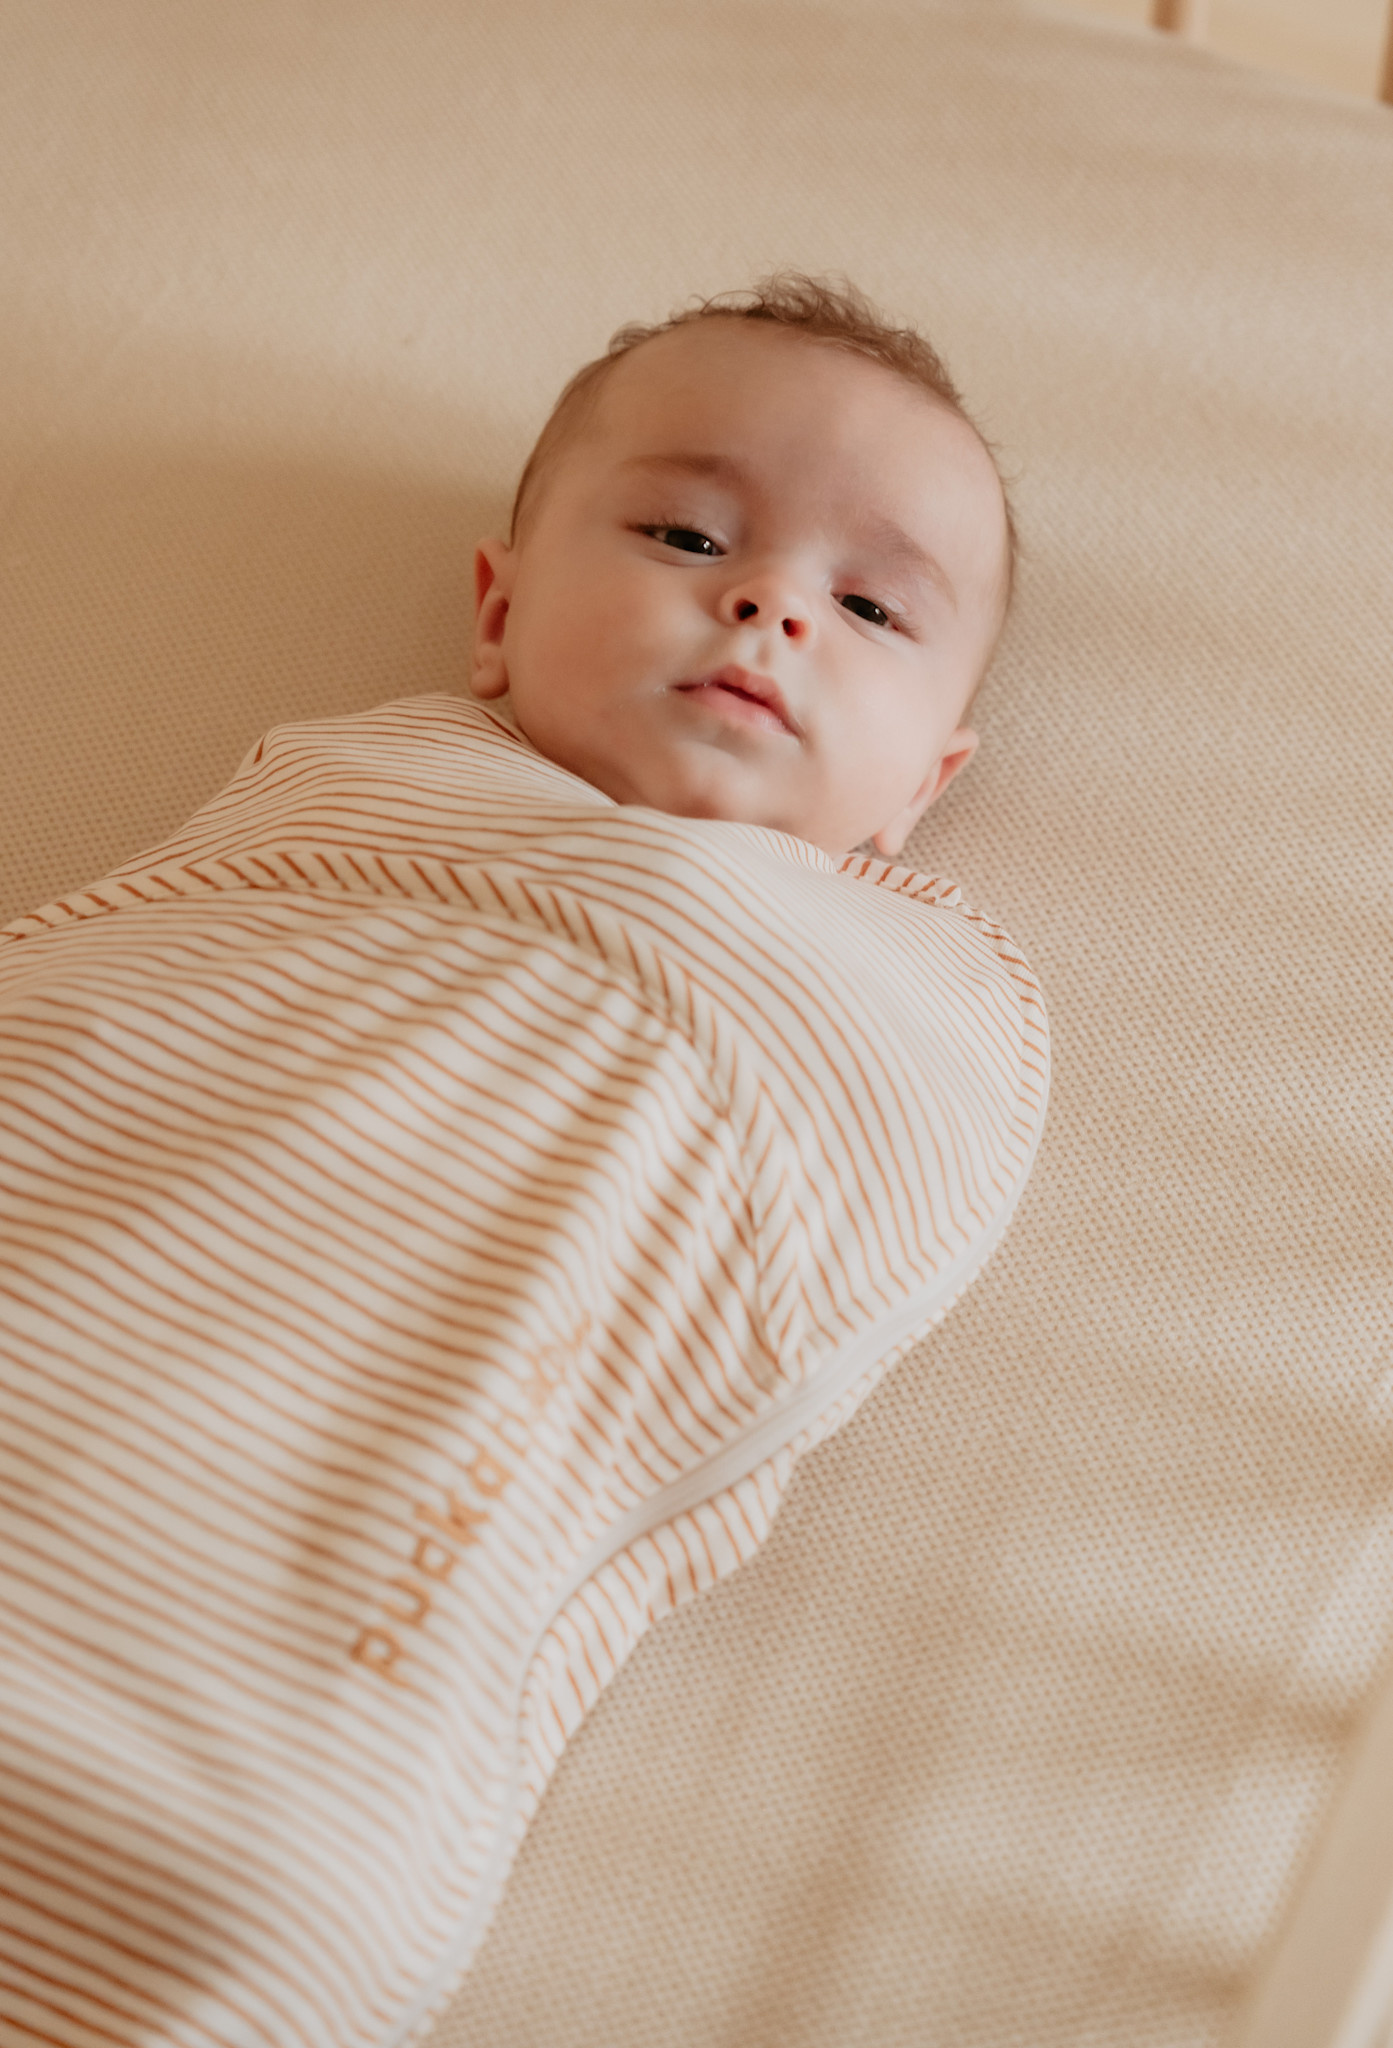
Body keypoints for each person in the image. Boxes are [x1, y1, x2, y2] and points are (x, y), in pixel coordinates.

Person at [469, 272, 1013, 857]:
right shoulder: (406, 761)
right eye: (690, 538)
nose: (776, 600)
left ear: (925, 782)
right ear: (502, 616)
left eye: (868, 608)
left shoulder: (910, 917)